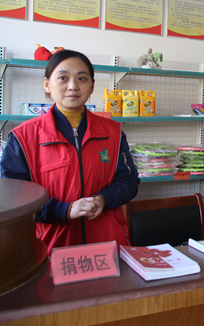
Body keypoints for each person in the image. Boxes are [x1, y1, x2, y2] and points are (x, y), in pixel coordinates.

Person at [1, 50, 139, 254]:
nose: (73, 86)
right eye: (63, 78)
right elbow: (12, 199)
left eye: (82, 78)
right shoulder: (23, 137)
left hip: (107, 246)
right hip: (49, 249)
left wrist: (103, 199)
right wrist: (64, 210)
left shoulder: (113, 133)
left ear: (92, 86)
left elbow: (129, 182)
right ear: (47, 84)